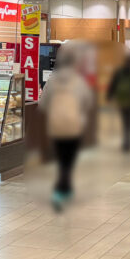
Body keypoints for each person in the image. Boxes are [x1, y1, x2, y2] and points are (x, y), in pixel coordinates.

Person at [38, 44, 95, 210]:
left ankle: (61, 188)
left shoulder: (52, 81)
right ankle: (63, 189)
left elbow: (43, 104)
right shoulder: (80, 82)